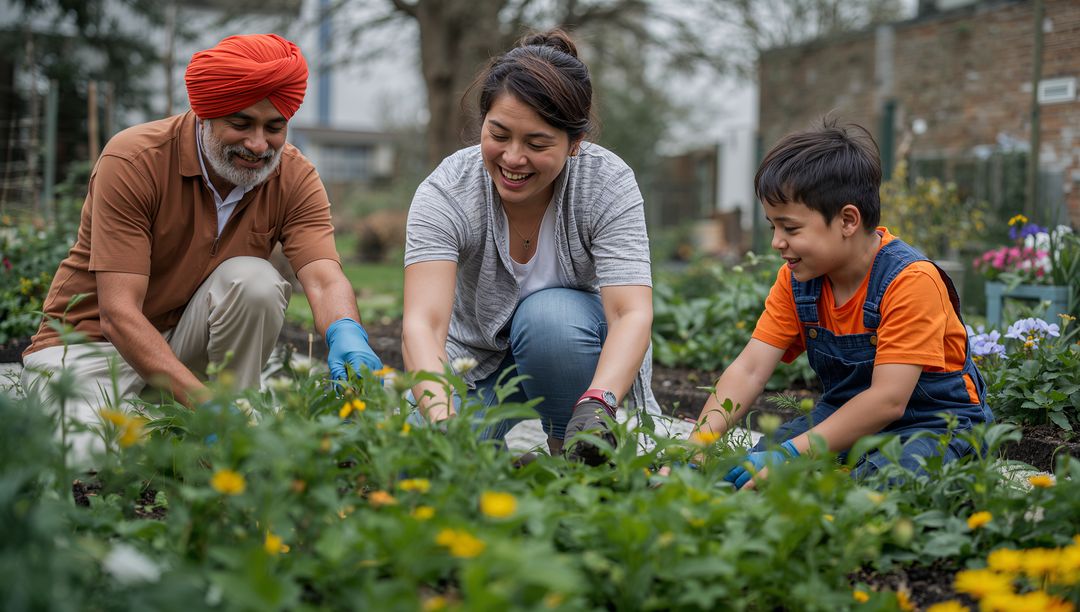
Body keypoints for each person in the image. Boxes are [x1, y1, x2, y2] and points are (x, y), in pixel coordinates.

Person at [21, 34, 382, 465]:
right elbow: (117, 315)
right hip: (90, 350)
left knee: (255, 281)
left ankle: (233, 420)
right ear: (204, 114)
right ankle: (204, 424)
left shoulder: (294, 177)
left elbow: (323, 279)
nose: (258, 145)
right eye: (241, 124)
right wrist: (203, 404)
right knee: (89, 454)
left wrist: (347, 333)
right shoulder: (136, 159)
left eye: (274, 127)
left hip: (182, 349)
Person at [402, 29, 658, 464]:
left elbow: (630, 313)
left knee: (549, 316)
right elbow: (423, 324)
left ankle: (572, 453)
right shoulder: (448, 190)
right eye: (499, 134)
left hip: (576, 351)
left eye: (537, 144)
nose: (513, 158)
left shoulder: (606, 183)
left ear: (575, 144)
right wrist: (443, 422)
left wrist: (598, 401)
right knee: (427, 459)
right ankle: (499, 463)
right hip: (474, 361)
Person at [691, 119, 992, 488]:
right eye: (773, 227)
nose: (776, 243)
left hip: (933, 424)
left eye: (790, 228)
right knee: (750, 470)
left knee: (890, 481)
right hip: (843, 415)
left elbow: (888, 400)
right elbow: (750, 369)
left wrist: (792, 454)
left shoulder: (910, 280)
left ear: (848, 220)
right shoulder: (797, 281)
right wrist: (696, 448)